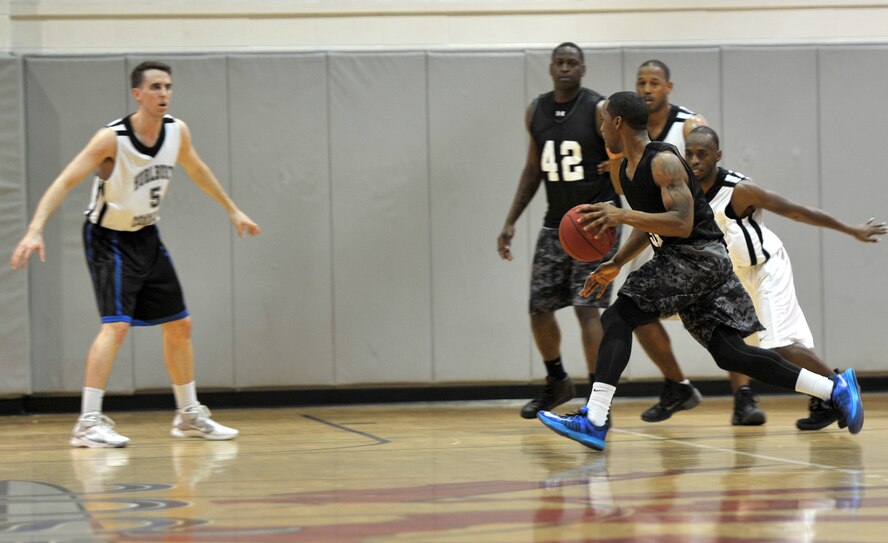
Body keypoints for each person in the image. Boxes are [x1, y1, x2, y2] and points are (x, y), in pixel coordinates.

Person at [536, 91, 863, 451]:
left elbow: (680, 221)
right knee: (731, 354)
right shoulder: (625, 170)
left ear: (617, 122)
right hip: (694, 264)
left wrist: (620, 214)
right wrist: (615, 262)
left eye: (603, 121)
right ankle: (834, 389)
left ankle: (595, 418)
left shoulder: (663, 161)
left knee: (618, 316)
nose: (599, 128)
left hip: (697, 257)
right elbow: (648, 225)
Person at [10, 61, 261, 448]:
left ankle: (188, 414)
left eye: (168, 87)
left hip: (146, 235)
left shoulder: (177, 131)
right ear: (138, 94)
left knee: (180, 325)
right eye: (156, 87)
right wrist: (34, 228)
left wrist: (232, 208)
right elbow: (65, 181)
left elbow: (198, 169)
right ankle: (88, 422)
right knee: (116, 326)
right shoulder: (112, 139)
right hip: (108, 239)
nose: (164, 94)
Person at [685, 125, 887, 429]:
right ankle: (824, 401)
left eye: (702, 154)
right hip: (735, 278)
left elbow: (795, 211)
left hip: (766, 268)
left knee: (777, 344)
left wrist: (850, 229)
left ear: (717, 155)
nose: (695, 160)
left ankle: (840, 387)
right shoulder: (686, 190)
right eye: (689, 154)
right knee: (772, 347)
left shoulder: (740, 190)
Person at [612, 59, 765, 426]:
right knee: (631, 306)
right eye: (641, 82)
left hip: (692, 229)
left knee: (724, 317)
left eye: (654, 82)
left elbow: (706, 169)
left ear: (668, 87)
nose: (647, 88)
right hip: (652, 228)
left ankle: (743, 395)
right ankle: (676, 383)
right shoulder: (627, 134)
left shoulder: (689, 124)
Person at [498, 42, 621, 419]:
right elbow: (533, 168)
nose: (565, 68)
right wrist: (511, 220)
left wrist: (616, 164)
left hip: (596, 222)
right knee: (539, 308)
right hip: (557, 224)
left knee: (587, 309)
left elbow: (629, 152)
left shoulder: (599, 108)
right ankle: (557, 383)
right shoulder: (536, 110)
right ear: (551, 68)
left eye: (573, 63)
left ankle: (598, 403)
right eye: (560, 62)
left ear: (583, 69)